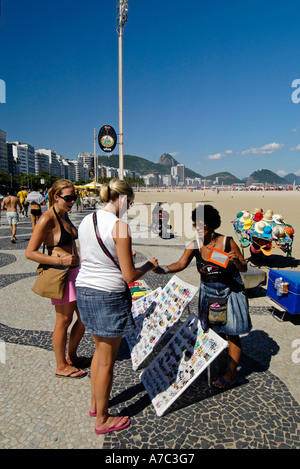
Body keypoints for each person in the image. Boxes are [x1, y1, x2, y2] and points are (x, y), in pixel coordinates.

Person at [75, 178, 159, 435]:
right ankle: (102, 419)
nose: (129, 207)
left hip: (84, 289)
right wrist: (149, 265)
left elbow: (88, 256)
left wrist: (117, 256)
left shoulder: (86, 220)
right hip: (108, 295)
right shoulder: (120, 226)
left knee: (98, 353)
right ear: (122, 199)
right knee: (106, 360)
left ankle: (95, 403)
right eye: (130, 203)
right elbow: (129, 276)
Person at [154, 204, 252, 390]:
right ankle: (221, 365)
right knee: (215, 331)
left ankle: (231, 374)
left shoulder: (227, 242)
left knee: (232, 334)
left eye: (203, 224)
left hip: (230, 291)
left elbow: (244, 268)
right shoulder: (194, 245)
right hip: (209, 292)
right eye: (196, 224)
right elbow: (180, 264)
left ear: (212, 224)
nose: (199, 227)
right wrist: (162, 270)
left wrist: (237, 261)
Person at [25, 179, 87, 379]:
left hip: (75, 272)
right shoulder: (46, 218)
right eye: (68, 198)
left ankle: (72, 356)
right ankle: (61, 365)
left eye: (74, 197)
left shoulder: (64, 216)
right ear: (55, 197)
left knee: (85, 318)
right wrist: (60, 261)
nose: (72, 201)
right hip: (62, 275)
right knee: (64, 320)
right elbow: (30, 252)